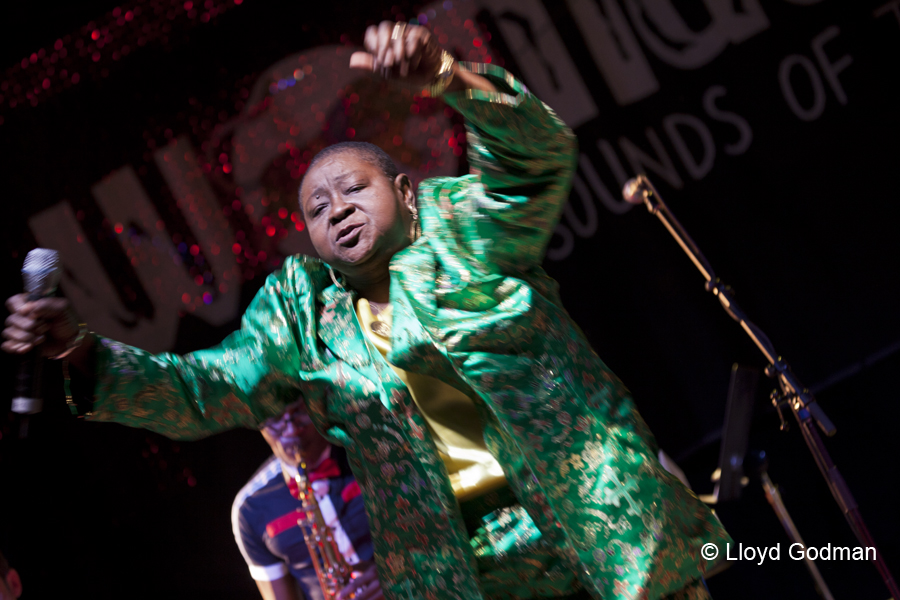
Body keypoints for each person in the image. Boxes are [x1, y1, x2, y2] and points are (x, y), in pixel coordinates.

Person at [3, 20, 730, 600]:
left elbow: (536, 158)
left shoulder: (465, 229)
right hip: (461, 574)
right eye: (317, 209)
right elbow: (206, 388)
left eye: (353, 189)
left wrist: (450, 79)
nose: (336, 210)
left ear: (408, 192)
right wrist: (79, 350)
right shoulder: (304, 310)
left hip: (597, 528)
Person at [233, 400, 381, 600]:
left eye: (301, 412)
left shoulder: (374, 454)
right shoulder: (250, 507)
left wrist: (392, 578)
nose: (292, 430)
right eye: (274, 417)